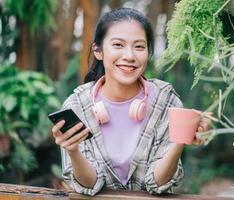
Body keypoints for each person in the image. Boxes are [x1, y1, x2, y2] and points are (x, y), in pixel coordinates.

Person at [51, 8, 212, 196]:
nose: (130, 56)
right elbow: (89, 185)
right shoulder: (77, 105)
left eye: (139, 47)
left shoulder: (166, 101)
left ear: (148, 53)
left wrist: (181, 139)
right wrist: (73, 151)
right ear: (98, 51)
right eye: (118, 45)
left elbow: (158, 183)